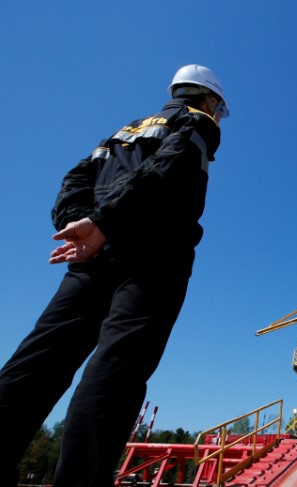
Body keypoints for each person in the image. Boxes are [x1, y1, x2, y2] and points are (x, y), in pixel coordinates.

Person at [0, 64, 228, 486]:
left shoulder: (120, 133)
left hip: (94, 254)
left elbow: (74, 178)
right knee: (116, 369)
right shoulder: (197, 122)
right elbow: (171, 168)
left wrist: (86, 225)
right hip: (156, 253)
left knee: (38, 363)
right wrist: (105, 221)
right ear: (210, 100)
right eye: (219, 108)